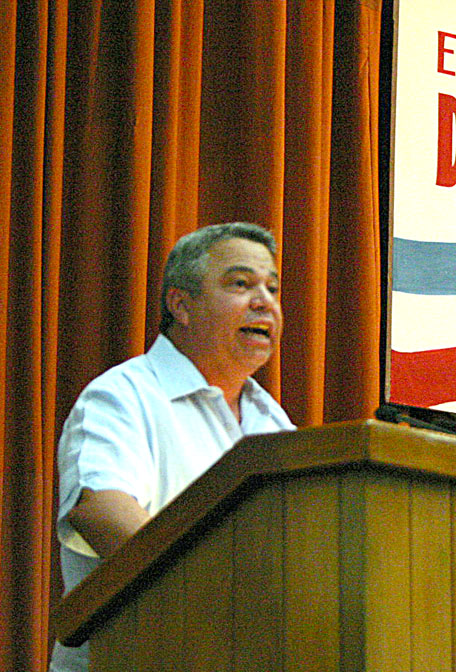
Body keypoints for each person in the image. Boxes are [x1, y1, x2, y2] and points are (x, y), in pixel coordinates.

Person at [50, 222, 295, 672]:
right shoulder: (122, 397)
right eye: (241, 284)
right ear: (181, 304)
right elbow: (101, 511)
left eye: (272, 288)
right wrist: (233, 593)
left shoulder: (273, 423)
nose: (264, 302)